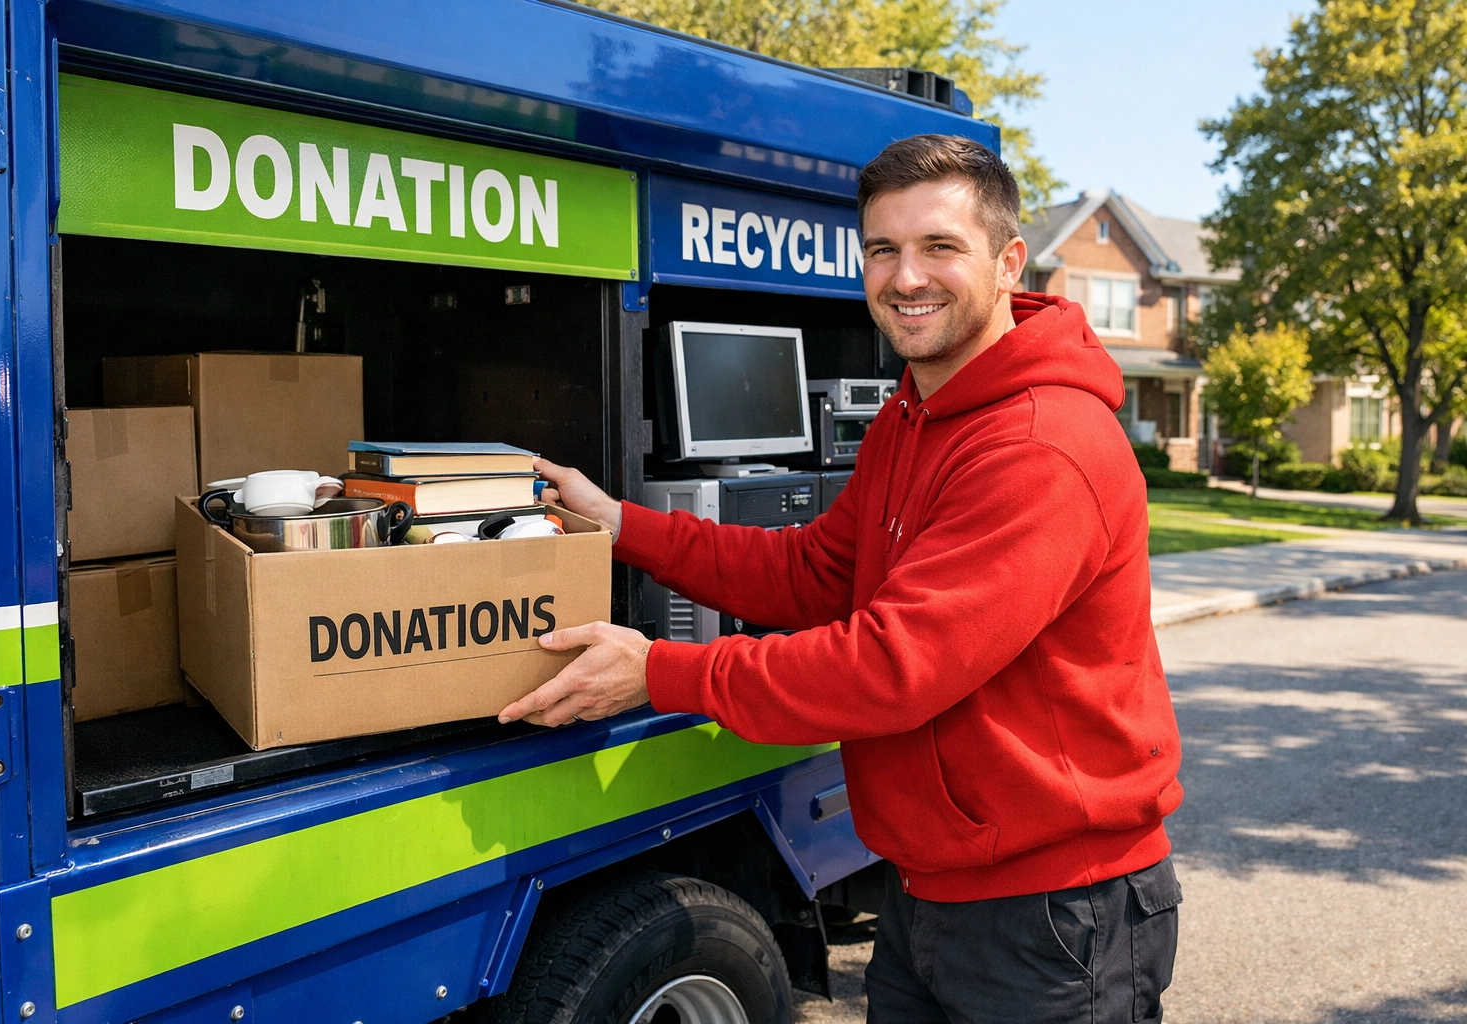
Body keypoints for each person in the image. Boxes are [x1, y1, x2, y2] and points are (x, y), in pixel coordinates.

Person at [499, 134, 1183, 1023]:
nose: (906, 278)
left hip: (1053, 915)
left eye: (940, 246)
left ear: (1011, 260)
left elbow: (893, 668)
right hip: (931, 887)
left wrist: (659, 671)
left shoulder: (1041, 446)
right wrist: (625, 526)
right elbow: (817, 569)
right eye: (882, 249)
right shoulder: (917, 410)